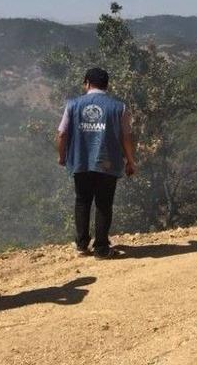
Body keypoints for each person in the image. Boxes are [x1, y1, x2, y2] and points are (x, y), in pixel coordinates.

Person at [56, 68, 136, 259]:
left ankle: (82, 245)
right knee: (103, 204)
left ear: (87, 83)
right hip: (107, 164)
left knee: (82, 201)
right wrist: (130, 161)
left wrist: (62, 157)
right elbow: (126, 137)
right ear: (106, 85)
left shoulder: (73, 105)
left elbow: (62, 134)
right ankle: (101, 248)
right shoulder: (119, 107)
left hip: (80, 162)